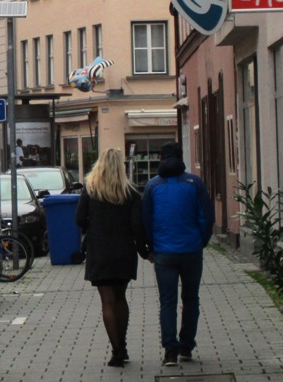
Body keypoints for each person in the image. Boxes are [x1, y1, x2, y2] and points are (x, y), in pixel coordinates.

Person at [141, 140, 215, 367]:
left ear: (161, 159)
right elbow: (206, 217)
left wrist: (151, 248)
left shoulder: (152, 186)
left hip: (164, 253)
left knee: (168, 302)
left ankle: (170, 352)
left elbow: (147, 220)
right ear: (181, 158)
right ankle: (186, 346)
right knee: (191, 299)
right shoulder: (195, 183)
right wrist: (200, 241)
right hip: (191, 250)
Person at [75, 148, 150, 368]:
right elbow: (137, 226)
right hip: (123, 252)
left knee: (107, 301)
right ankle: (123, 345)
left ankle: (117, 351)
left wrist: (95, 226)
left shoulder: (90, 190)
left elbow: (79, 219)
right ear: (121, 168)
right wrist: (145, 251)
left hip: (99, 251)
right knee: (121, 299)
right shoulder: (131, 193)